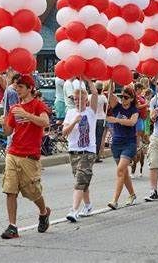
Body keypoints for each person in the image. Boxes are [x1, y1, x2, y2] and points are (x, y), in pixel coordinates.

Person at [0, 75, 51, 239]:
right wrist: (3, 122)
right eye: (16, 86)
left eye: (21, 87)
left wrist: (27, 115)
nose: (17, 89)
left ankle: (44, 212)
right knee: (10, 190)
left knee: (32, 192)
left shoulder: (37, 104)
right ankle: (12, 226)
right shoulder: (14, 107)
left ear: (30, 88)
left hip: (30, 155)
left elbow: (45, 122)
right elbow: (8, 132)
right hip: (13, 153)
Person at [62, 79, 98, 222]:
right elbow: (64, 132)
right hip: (74, 151)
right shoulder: (70, 113)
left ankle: (74, 210)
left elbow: (94, 93)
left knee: (79, 181)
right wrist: (74, 122)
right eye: (75, 99)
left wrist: (86, 78)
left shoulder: (91, 111)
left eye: (79, 99)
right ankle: (88, 205)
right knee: (83, 183)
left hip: (88, 152)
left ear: (85, 100)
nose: (76, 101)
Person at [106, 86, 139, 210]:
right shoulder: (117, 106)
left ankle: (115, 200)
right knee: (123, 172)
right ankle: (132, 194)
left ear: (131, 99)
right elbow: (109, 94)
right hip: (116, 143)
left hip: (129, 143)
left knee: (120, 170)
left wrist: (116, 120)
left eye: (126, 97)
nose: (123, 99)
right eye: (122, 97)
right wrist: (112, 80)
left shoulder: (134, 110)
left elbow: (132, 122)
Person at [91, 81, 108, 163]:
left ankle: (92, 154)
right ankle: (96, 155)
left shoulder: (90, 96)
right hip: (101, 118)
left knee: (93, 137)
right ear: (101, 89)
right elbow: (107, 106)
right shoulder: (103, 97)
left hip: (93, 118)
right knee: (99, 138)